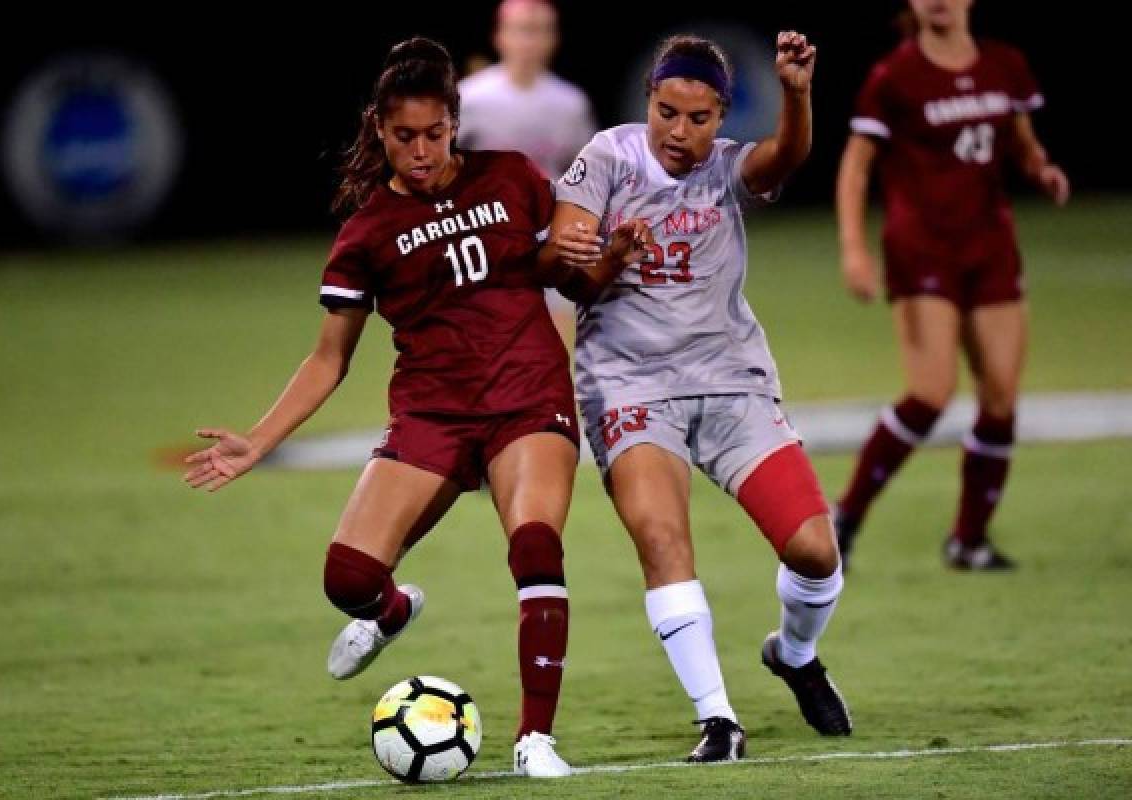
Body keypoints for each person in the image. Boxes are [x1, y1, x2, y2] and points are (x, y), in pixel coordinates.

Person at [183, 37, 580, 778]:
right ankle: (392, 611)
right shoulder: (366, 233)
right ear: (378, 129)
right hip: (432, 413)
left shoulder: (516, 179)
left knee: (534, 545)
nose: (421, 151)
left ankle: (536, 739)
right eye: (404, 137)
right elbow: (329, 356)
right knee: (347, 580)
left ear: (456, 122)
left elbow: (567, 271)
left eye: (434, 134)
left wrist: (605, 258)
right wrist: (261, 440)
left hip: (527, 396)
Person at [538, 31, 852, 763]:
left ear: (722, 115)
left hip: (730, 379)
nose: (681, 133)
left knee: (813, 551)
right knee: (662, 539)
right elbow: (565, 273)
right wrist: (611, 255)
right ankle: (718, 719)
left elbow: (786, 158)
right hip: (630, 384)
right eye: (667, 112)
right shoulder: (607, 160)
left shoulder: (726, 168)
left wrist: (799, 94)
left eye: (700, 118)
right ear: (648, 99)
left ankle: (796, 656)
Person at [833, 0, 1070, 571]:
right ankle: (847, 516)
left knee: (1000, 401)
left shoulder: (1004, 65)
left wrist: (1041, 167)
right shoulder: (895, 76)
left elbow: (1019, 139)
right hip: (921, 250)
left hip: (989, 248)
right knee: (930, 394)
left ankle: (969, 540)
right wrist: (854, 249)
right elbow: (856, 166)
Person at [458, 0, 596, 179]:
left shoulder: (572, 103)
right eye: (522, 30)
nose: (530, 42)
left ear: (555, 38)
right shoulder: (469, 97)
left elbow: (588, 172)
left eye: (541, 31)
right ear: (499, 35)